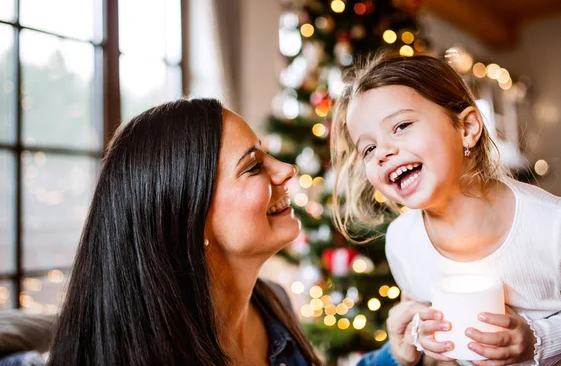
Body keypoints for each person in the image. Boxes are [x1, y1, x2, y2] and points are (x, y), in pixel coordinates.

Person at [46, 98, 406, 366]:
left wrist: (398, 355)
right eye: (253, 167)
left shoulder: (272, 303)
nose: (286, 171)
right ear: (191, 219)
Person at [330, 52, 561, 365]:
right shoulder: (403, 242)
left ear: (468, 127)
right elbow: (420, 313)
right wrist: (422, 333)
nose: (382, 153)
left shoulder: (558, 228)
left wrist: (537, 339)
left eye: (401, 125)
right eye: (369, 148)